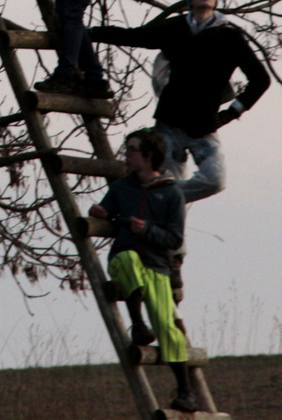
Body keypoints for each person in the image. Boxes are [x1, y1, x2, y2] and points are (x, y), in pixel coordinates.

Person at [90, 0, 269, 203]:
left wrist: (231, 113)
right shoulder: (176, 28)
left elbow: (260, 79)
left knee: (215, 180)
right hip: (170, 121)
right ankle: (161, 208)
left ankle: (160, 196)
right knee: (166, 181)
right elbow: (135, 36)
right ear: (190, 0)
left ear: (215, 0)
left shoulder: (229, 37)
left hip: (203, 125)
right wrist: (92, 32)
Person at [88, 129, 200, 413]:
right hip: (125, 261)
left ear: (149, 156)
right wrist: (99, 212)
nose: (127, 156)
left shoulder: (172, 194)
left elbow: (175, 239)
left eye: (132, 150)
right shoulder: (121, 187)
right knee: (126, 260)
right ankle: (137, 324)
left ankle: (185, 391)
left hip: (157, 266)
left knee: (167, 326)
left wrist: (147, 230)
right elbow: (106, 211)